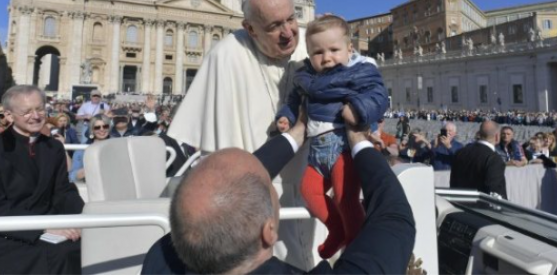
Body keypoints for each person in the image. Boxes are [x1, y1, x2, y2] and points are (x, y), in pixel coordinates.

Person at [143, 116, 415, 274]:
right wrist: (360, 141)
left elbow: (229, 180)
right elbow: (394, 218)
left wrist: (295, 134)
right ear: (269, 231)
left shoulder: (159, 259)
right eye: (268, 186)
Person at [166, 0, 310, 267]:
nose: (288, 33)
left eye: (291, 19)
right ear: (250, 28)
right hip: (259, 203)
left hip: (312, 190)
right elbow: (226, 168)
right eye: (274, 26)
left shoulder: (312, 44)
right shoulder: (226, 56)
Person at [275, 14, 388, 258]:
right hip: (316, 153)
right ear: (309, 53)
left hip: (342, 148)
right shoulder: (305, 77)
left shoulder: (360, 71)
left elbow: (378, 95)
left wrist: (358, 109)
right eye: (318, 52)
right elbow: (294, 101)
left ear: (350, 49)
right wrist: (287, 116)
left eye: (334, 50)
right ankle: (336, 229)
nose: (326, 58)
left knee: (346, 198)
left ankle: (356, 248)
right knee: (308, 191)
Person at [0, 85, 85, 274]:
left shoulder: (53, 147)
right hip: (10, 231)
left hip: (48, 223)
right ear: (9, 115)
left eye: (39, 108)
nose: (36, 116)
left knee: (88, 243)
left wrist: (82, 217)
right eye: (27, 111)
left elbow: (63, 190)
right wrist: (42, 228)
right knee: (59, 253)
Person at [450, 120, 507, 199]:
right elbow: (495, 194)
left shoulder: (460, 153)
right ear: (497, 136)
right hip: (480, 209)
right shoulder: (494, 159)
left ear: (479, 134)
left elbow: (453, 184)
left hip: (460, 205)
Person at [69, 114, 111, 182]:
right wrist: (87, 170)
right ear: (92, 130)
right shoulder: (82, 149)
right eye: (97, 127)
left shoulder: (116, 145)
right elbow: (72, 176)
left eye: (105, 126)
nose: (102, 129)